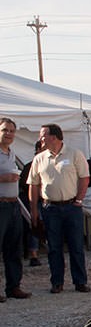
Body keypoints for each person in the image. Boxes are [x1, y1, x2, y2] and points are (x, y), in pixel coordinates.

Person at [27, 123, 91, 294]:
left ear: (54, 137)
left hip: (71, 207)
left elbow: (84, 177)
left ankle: (80, 281)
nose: (40, 139)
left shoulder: (75, 154)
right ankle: (57, 282)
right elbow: (33, 185)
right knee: (54, 247)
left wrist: (79, 199)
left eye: (43, 136)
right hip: (50, 208)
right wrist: (34, 210)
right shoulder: (39, 159)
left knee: (76, 246)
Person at [0, 118, 30, 302]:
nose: (9, 134)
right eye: (5, 130)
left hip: (13, 204)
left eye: (12, 131)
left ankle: (13, 286)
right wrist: (3, 178)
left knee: (14, 248)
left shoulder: (11, 153)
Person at [20, 139, 44, 267]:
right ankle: (33, 254)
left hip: (47, 200)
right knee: (34, 225)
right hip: (32, 200)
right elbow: (25, 185)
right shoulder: (30, 166)